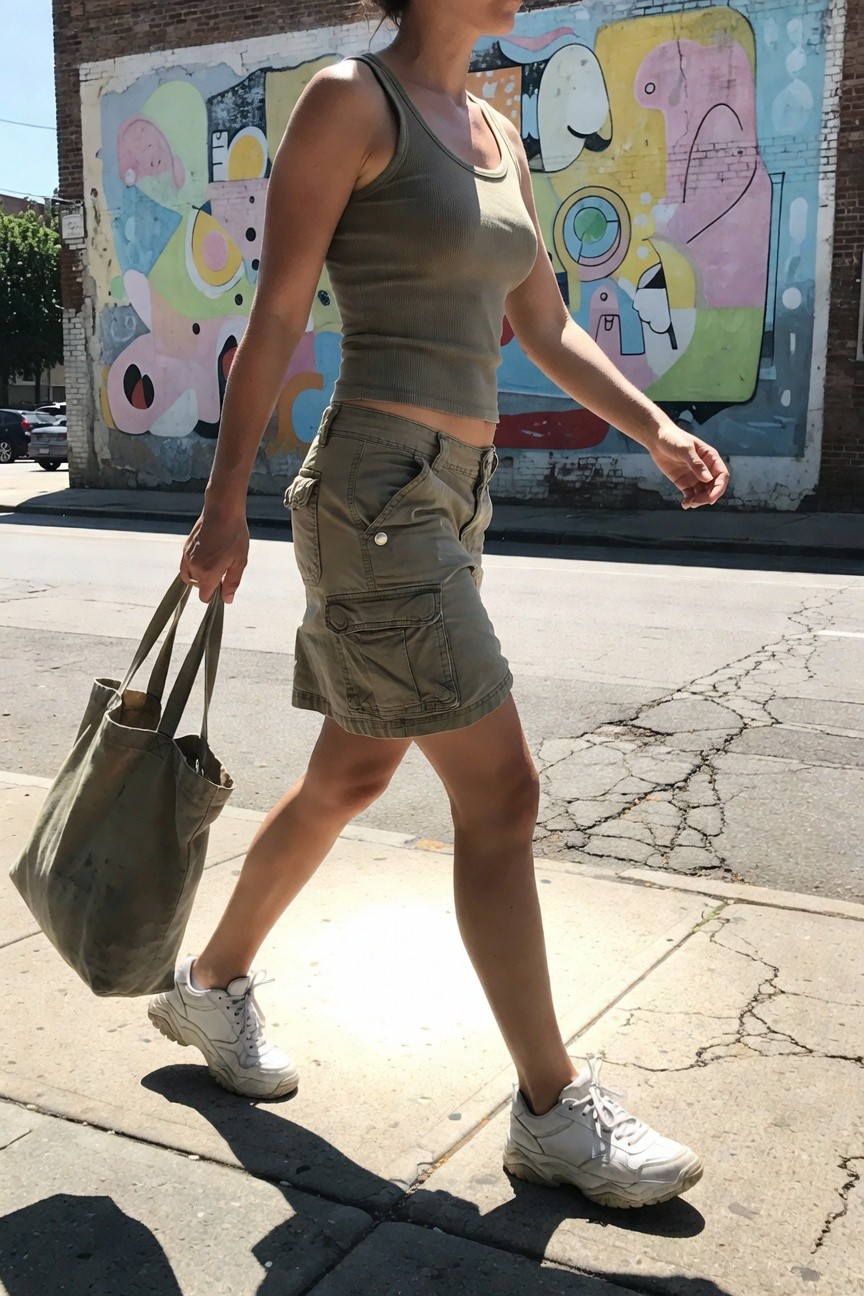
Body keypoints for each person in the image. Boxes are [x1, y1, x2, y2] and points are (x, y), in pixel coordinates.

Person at [147, 0, 728, 1210]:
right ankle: (552, 1109)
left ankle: (208, 983)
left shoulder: (498, 129)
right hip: (376, 490)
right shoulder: (350, 103)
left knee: (351, 778)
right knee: (502, 791)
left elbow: (547, 324)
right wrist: (221, 505)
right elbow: (280, 314)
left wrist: (658, 425)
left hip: (458, 498)